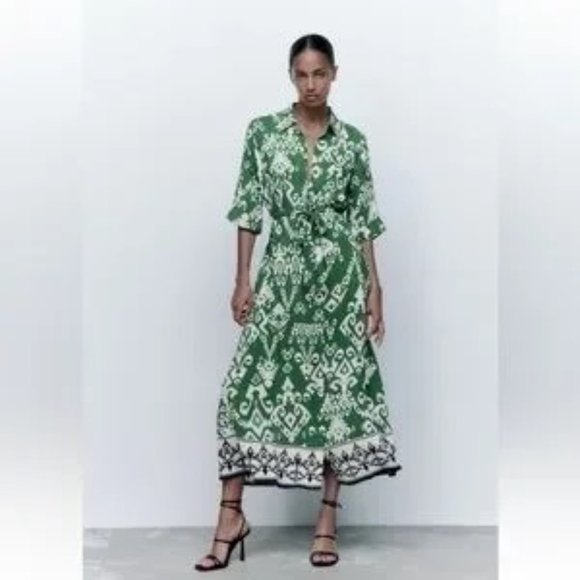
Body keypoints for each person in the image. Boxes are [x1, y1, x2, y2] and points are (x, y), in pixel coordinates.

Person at [194, 33, 401, 572]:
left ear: (335, 75)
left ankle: (326, 522)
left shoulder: (352, 142)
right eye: (302, 75)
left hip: (339, 281)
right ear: (291, 76)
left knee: (334, 395)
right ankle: (230, 517)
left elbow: (364, 221)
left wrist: (375, 287)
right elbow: (248, 210)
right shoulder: (263, 134)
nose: (311, 85)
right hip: (282, 276)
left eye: (320, 74)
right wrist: (242, 280)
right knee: (243, 389)